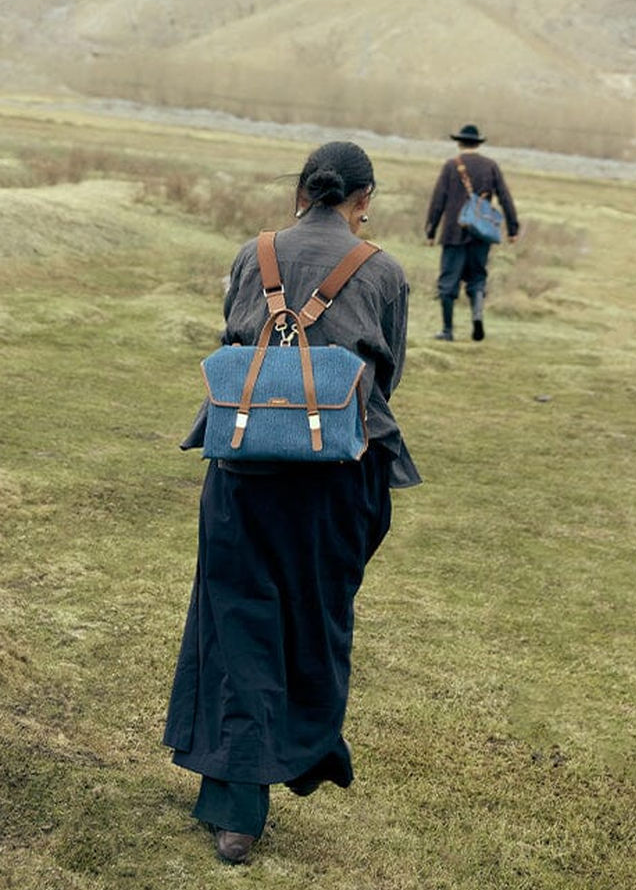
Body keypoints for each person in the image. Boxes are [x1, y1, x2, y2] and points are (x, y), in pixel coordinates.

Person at [167, 141, 421, 864]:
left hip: (244, 468)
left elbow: (235, 341)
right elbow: (386, 378)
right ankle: (308, 750)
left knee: (239, 623)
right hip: (339, 477)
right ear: (363, 199)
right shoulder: (385, 271)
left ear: (299, 194)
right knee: (317, 617)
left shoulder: (255, 255)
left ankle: (237, 810)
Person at [424, 123, 520, 341]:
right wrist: (513, 228)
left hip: (453, 233)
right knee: (477, 278)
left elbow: (438, 201)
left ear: (459, 142)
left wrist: (431, 230)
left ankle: (447, 331)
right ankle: (477, 318)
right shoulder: (491, 166)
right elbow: (505, 198)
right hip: (482, 234)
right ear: (478, 143)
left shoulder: (451, 166)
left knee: (448, 281)